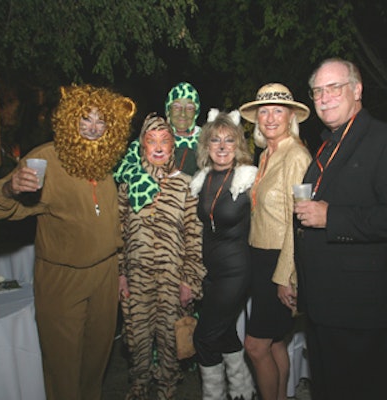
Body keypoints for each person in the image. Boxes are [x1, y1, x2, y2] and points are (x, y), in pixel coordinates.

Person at [0, 84, 136, 400]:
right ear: (71, 120)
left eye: (102, 121)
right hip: (63, 280)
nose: (94, 128)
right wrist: (9, 189)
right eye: (86, 119)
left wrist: (119, 271)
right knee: (63, 370)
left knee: (95, 365)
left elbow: (112, 221)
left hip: (104, 276)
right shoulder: (46, 158)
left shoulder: (105, 161)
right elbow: (4, 204)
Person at [294, 58, 387, 400]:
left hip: (360, 310)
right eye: (318, 91)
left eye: (334, 87)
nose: (324, 98)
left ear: (357, 89)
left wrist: (331, 218)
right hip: (323, 306)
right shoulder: (327, 144)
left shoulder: (384, 140)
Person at [115, 113, 206, 399]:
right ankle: (139, 383)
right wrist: (120, 275)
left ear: (172, 147)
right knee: (137, 336)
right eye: (150, 141)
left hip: (172, 277)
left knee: (169, 337)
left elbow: (194, 238)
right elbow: (118, 233)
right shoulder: (129, 184)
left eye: (164, 141)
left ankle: (168, 385)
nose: (157, 147)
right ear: (142, 145)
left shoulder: (186, 185)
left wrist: (189, 280)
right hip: (137, 276)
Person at [239, 83, 312, 400]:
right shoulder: (268, 153)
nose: (269, 118)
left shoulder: (295, 155)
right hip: (261, 258)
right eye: (263, 111)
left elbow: (299, 222)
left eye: (277, 111)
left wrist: (286, 277)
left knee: (255, 346)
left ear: (291, 116)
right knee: (276, 341)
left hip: (278, 262)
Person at [190, 109, 257, 400]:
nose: (221, 146)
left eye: (229, 140)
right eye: (215, 140)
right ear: (206, 145)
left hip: (237, 272)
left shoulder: (248, 180)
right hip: (212, 273)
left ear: (238, 145)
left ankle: (214, 395)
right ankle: (243, 392)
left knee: (203, 339)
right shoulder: (201, 180)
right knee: (225, 333)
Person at [114, 82, 201, 214]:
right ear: (168, 110)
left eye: (189, 108)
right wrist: (138, 177)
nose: (182, 113)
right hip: (154, 218)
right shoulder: (152, 135)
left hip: (192, 218)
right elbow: (120, 167)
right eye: (176, 107)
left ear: (196, 111)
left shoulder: (207, 141)